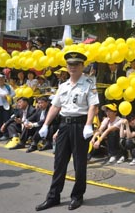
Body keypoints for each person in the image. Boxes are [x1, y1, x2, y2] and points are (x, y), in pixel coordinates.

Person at [35, 51, 99, 211]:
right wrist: (45, 124)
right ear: (66, 66)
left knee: (79, 163)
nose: (73, 67)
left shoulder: (89, 83)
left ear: (82, 66)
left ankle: (77, 196)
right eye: (70, 64)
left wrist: (89, 124)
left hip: (80, 126)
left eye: (76, 64)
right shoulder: (63, 86)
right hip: (64, 125)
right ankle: (53, 197)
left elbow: (93, 105)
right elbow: (56, 106)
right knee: (59, 162)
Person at [0, 74, 16, 140]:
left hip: (6, 105)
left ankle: (6, 134)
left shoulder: (8, 86)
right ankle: (1, 134)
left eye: (2, 79)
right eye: (0, 79)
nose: (1, 81)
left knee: (6, 120)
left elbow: (14, 93)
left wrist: (8, 96)